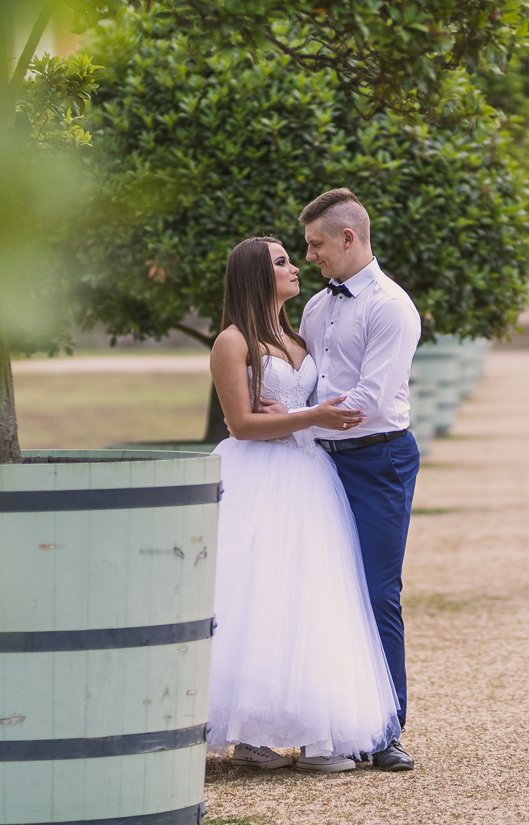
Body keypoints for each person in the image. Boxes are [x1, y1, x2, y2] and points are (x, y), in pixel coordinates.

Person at [206, 236, 400, 773]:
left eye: (294, 257)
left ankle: (314, 731)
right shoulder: (232, 342)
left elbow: (303, 406)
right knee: (258, 596)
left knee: (307, 594)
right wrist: (310, 417)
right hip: (258, 476)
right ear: (255, 276)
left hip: (308, 476)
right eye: (283, 261)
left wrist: (305, 414)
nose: (297, 267)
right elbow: (241, 424)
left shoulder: (297, 334)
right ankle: (249, 733)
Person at [295, 188, 423, 771]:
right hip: (321, 460)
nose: (310, 257)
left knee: (376, 591)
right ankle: (335, 723)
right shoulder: (316, 309)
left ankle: (386, 728)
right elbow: (310, 384)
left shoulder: (392, 306)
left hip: (379, 461)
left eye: (317, 244)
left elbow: (369, 400)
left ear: (349, 238)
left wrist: (304, 416)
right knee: (325, 592)